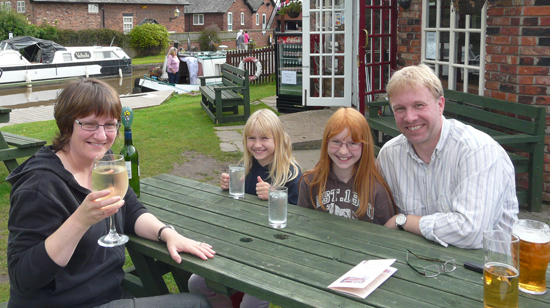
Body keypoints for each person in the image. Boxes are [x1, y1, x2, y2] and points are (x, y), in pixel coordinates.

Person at [6, 78, 215, 308]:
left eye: (110, 124)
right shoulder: (39, 186)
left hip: (110, 296)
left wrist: (166, 234)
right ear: (67, 126)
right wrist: (80, 220)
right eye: (89, 124)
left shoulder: (104, 162)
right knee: (196, 304)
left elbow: (131, 209)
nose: (101, 135)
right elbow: (23, 277)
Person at [376, 64, 518, 249]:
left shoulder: (477, 150)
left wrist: (403, 221)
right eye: (400, 109)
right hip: (418, 263)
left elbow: (471, 232)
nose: (410, 117)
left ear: (440, 104)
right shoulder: (389, 155)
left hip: (486, 270)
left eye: (419, 105)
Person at [188, 109, 302, 308]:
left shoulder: (292, 174)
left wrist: (276, 197)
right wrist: (228, 187)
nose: (257, 145)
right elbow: (235, 209)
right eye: (251, 138)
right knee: (196, 283)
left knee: (250, 303)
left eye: (264, 138)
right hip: (241, 246)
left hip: (275, 255)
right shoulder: (246, 167)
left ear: (278, 139)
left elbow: (301, 221)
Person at [298, 107, 397, 225]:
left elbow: (386, 237)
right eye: (336, 142)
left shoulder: (377, 191)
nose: (343, 151)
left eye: (352, 143)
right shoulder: (310, 182)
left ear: (364, 146)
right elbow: (301, 227)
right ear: (326, 142)